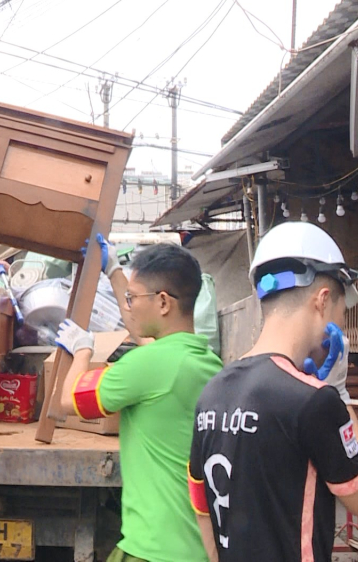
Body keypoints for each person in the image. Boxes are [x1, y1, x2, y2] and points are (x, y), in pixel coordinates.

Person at [188, 222, 358, 562]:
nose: (341, 317)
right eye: (341, 308)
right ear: (323, 301)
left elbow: (201, 502)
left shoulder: (213, 391)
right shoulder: (314, 400)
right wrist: (339, 392)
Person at [53, 240, 223, 562]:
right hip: (195, 548)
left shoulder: (146, 366)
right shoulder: (206, 362)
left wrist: (83, 349)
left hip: (151, 550)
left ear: (162, 302)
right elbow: (148, 343)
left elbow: (68, 399)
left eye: (133, 298)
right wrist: (114, 271)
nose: (128, 306)